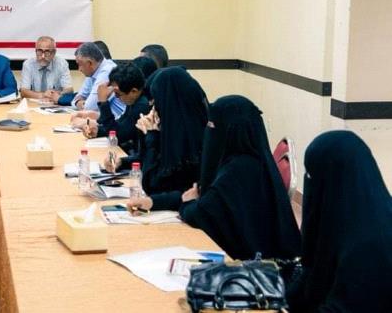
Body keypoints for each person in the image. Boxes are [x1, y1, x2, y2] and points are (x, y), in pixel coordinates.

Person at [178, 96, 301, 261]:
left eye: (213, 126)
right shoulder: (251, 160)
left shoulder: (238, 171)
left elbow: (200, 215)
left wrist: (188, 202)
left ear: (231, 131)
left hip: (248, 262)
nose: (209, 132)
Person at [287, 131, 392, 312]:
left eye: (312, 176)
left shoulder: (370, 245)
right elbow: (310, 274)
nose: (309, 183)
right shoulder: (339, 221)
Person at [121, 67, 208, 211]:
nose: (153, 107)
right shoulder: (175, 127)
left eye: (155, 100)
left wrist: (151, 136)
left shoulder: (194, 138)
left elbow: (152, 185)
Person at [83, 62, 151, 153]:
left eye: (118, 94)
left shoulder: (142, 105)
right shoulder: (135, 100)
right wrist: (98, 131)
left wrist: (103, 102)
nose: (116, 97)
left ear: (133, 91)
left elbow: (118, 135)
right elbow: (120, 125)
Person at [72, 42, 123, 115]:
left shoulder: (108, 71)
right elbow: (75, 100)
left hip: (119, 119)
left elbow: (89, 107)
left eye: (79, 64)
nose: (79, 69)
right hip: (104, 117)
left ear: (89, 63)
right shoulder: (92, 71)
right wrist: (77, 102)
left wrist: (80, 103)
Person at [19, 36, 73, 103]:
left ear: (54, 53)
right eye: (39, 51)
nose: (43, 56)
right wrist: (43, 95)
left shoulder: (62, 64)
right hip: (34, 103)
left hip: (55, 104)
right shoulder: (28, 64)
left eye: (47, 52)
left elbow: (69, 90)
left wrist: (55, 94)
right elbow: (23, 92)